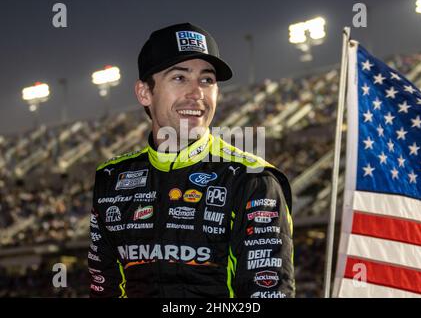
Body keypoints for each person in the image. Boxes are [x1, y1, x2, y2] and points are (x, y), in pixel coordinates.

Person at [88, 22, 295, 298]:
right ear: (144, 93)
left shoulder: (252, 178)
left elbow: (268, 294)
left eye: (206, 80)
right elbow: (104, 289)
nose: (197, 93)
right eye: (179, 78)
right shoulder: (111, 179)